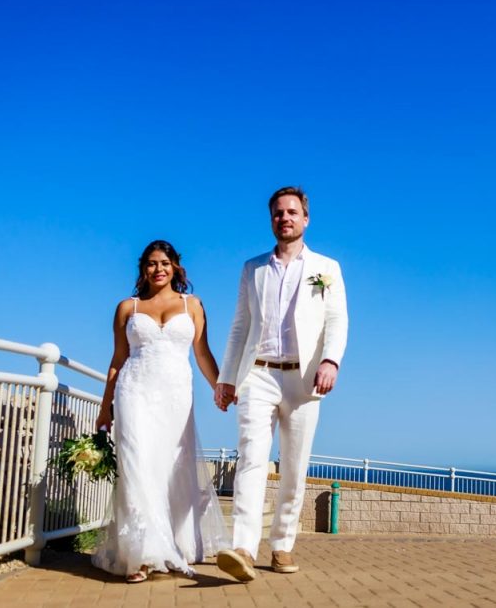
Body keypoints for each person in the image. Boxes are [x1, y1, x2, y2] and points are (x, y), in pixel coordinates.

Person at [214, 186, 348, 581]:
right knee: (251, 459)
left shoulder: (328, 268)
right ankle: (242, 546)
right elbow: (239, 326)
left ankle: (282, 546)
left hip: (305, 380)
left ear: (305, 219)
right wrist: (226, 377)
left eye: (291, 212)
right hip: (257, 374)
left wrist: (330, 360)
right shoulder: (252, 268)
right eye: (277, 213)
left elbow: (337, 321)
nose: (284, 218)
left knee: (294, 467)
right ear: (271, 219)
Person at [93, 240, 229, 582]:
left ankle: (169, 543)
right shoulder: (128, 308)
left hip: (175, 395)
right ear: (143, 269)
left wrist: (220, 388)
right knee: (137, 465)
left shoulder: (192, 305)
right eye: (152, 264)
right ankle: (140, 555)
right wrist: (105, 405)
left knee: (169, 470)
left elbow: (202, 354)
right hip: (134, 390)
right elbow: (117, 360)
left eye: (164, 263)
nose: (158, 269)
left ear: (176, 267)